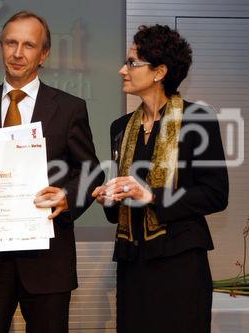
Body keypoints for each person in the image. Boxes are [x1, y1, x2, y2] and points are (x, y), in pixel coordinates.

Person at [0, 10, 103, 333]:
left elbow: (91, 172)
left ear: (43, 54)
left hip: (48, 258)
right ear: (1, 46)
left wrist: (66, 197)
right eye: (11, 43)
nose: (18, 53)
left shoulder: (69, 108)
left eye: (29, 45)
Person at [92, 25, 229, 333]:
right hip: (132, 264)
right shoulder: (120, 127)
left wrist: (152, 195)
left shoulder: (197, 120)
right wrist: (110, 197)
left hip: (179, 265)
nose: (121, 70)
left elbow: (215, 194)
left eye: (131, 63)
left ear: (159, 72)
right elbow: (117, 213)